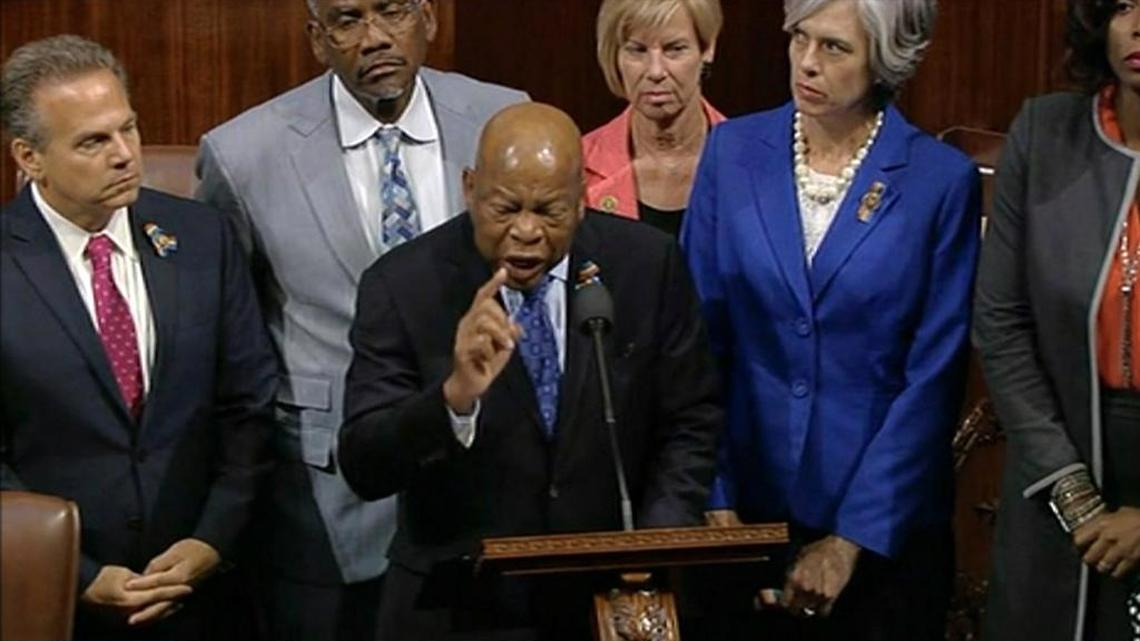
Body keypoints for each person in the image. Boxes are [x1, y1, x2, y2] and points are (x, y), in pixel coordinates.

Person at [194, 1, 528, 638]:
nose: (375, 37)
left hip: (485, 476)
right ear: (318, 39)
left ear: (428, 17)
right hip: (328, 498)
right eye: (348, 20)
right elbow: (227, 346)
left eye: (393, 10)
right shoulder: (243, 155)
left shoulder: (501, 116)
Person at [338, 102, 721, 640]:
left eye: (550, 211)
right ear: (470, 188)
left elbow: (690, 419)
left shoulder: (645, 265)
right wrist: (453, 398)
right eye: (505, 208)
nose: (526, 231)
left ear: (582, 203)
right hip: (457, 608)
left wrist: (655, 542)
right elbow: (364, 464)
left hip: (607, 601)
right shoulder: (403, 285)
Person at [680, 0, 980, 638]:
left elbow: (933, 378)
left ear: (885, 61)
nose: (807, 63)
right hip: (742, 516)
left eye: (835, 48)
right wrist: (715, 494)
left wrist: (850, 539)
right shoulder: (733, 151)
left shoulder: (940, 181)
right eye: (799, 39)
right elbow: (697, 340)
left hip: (880, 532)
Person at [0, 35, 275, 640]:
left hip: (204, 591)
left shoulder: (203, 238)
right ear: (29, 157)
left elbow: (249, 406)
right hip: (54, 602)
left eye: (128, 128)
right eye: (94, 141)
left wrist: (211, 540)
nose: (126, 154)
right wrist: (78, 573)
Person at [976, 0, 1140, 638]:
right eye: (1123, 4)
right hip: (1059, 462)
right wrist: (1070, 491)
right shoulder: (1045, 133)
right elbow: (1000, 318)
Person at [583, 0, 725, 236]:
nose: (655, 71)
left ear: (707, 48)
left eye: (674, 49)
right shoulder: (579, 169)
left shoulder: (752, 163)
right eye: (637, 50)